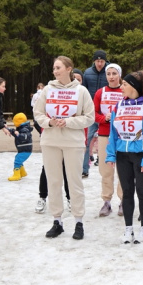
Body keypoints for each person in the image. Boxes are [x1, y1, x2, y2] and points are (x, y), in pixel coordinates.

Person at [34, 56, 95, 241]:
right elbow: (37, 113)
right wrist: (50, 122)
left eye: (58, 67)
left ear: (69, 69)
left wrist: (67, 121)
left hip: (73, 142)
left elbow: (89, 117)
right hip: (50, 141)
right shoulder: (47, 90)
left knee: (74, 182)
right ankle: (57, 221)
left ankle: (78, 221)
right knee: (53, 182)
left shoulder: (81, 91)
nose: (55, 71)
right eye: (54, 68)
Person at [106, 71, 143, 244]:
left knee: (142, 192)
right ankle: (128, 228)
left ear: (134, 87)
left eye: (124, 84)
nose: (121, 87)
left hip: (140, 155)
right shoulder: (118, 105)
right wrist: (110, 154)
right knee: (127, 193)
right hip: (123, 155)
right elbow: (112, 133)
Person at [94, 63, 125, 216]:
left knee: (122, 170)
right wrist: (104, 118)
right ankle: (106, 201)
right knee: (105, 169)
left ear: (119, 75)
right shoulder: (100, 92)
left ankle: (123, 201)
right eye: (108, 74)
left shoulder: (125, 91)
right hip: (105, 134)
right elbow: (93, 114)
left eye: (114, 73)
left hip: (122, 135)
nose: (111, 77)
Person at [82, 50, 109, 178]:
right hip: (91, 112)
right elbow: (83, 91)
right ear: (94, 61)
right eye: (97, 61)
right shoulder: (87, 73)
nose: (99, 63)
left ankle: (111, 167)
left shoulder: (110, 72)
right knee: (87, 140)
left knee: (110, 141)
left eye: (102, 61)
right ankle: (84, 168)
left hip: (106, 113)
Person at [7, 113, 33, 181]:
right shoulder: (21, 128)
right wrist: (9, 130)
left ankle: (16, 175)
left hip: (26, 149)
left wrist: (18, 134)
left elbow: (25, 137)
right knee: (18, 159)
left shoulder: (25, 129)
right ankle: (23, 173)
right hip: (23, 149)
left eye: (15, 122)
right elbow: (16, 133)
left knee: (17, 161)